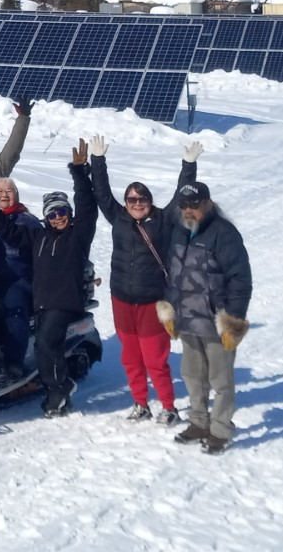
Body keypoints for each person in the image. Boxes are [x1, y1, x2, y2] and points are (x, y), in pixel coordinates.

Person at [0, 139, 100, 417]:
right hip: (43, 299)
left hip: (63, 300)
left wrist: (80, 175)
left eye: (61, 212)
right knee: (45, 348)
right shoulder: (40, 236)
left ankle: (53, 384)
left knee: (45, 344)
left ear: (69, 214)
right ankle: (58, 391)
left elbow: (88, 208)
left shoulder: (77, 236)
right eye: (52, 214)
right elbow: (8, 232)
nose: (57, 217)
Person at [88, 135, 201, 424]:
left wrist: (188, 165)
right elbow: (101, 193)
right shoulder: (119, 217)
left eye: (142, 199)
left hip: (154, 300)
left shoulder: (165, 220)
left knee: (155, 359)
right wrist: (97, 161)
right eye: (132, 199)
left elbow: (181, 196)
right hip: (122, 299)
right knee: (130, 358)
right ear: (126, 202)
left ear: (150, 201)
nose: (137, 203)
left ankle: (169, 407)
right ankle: (140, 404)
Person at [160, 176, 253, 455]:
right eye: (184, 204)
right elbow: (173, 276)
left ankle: (221, 429)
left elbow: (240, 280)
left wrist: (232, 321)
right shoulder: (179, 230)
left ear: (208, 204)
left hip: (216, 323)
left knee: (221, 379)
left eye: (195, 204)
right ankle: (199, 422)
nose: (188, 209)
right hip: (188, 319)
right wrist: (169, 310)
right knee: (192, 375)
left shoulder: (224, 234)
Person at [0, 176, 39, 376]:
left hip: (18, 279)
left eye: (9, 191)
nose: (4, 195)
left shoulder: (27, 221)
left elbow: (18, 238)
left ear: (16, 195)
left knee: (13, 306)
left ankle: (14, 361)